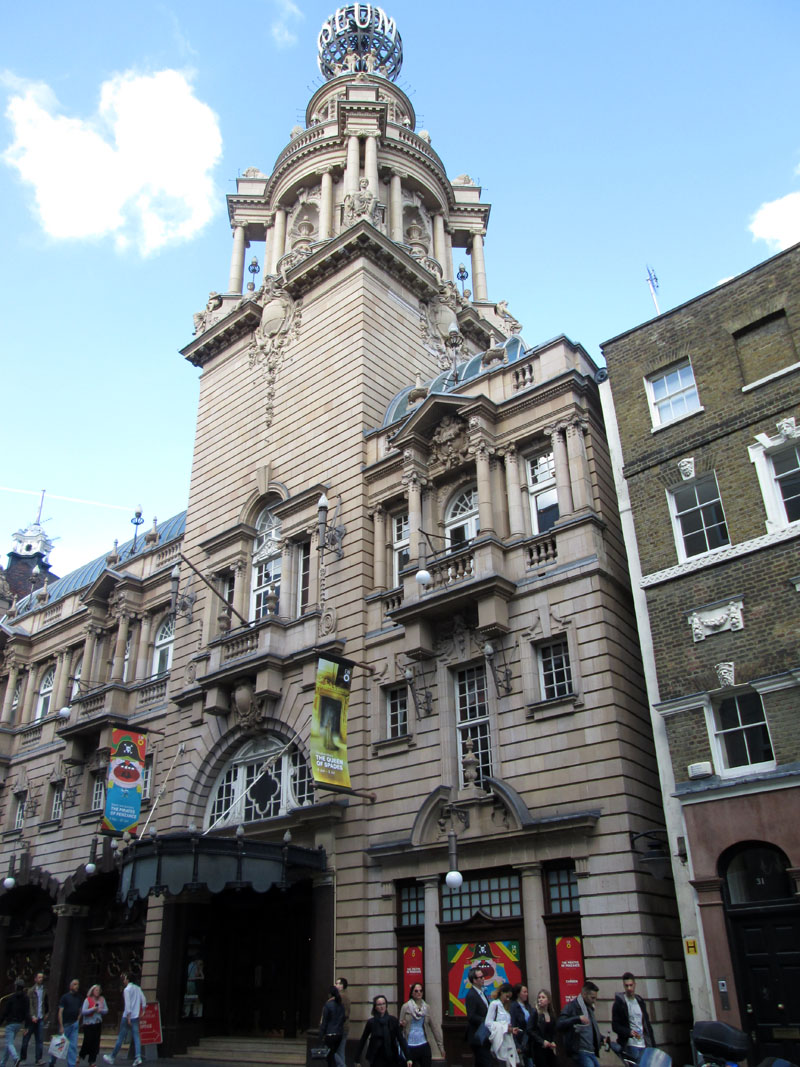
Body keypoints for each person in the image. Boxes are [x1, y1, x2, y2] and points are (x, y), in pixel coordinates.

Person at [354, 994, 412, 1067]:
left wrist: (408, 1058)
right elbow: (363, 1040)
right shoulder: (371, 1023)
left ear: (386, 1005)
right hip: (376, 1057)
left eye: (383, 1004)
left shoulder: (393, 1021)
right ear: (375, 1007)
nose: (382, 1006)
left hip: (391, 1056)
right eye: (379, 1004)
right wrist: (356, 1059)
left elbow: (401, 1039)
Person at [102, 973, 145, 1067]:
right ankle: (138, 1057)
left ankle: (112, 1057)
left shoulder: (127, 990)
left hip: (127, 1016)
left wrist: (128, 1017)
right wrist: (143, 1010)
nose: (124, 980)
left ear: (128, 980)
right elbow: (143, 1000)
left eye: (125, 978)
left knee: (121, 1037)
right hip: (136, 1016)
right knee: (136, 1037)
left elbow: (128, 1005)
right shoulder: (138, 988)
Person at [557, 981, 602, 1067]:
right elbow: (560, 1024)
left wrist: (601, 1038)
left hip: (591, 1051)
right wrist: (577, 1018)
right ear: (584, 994)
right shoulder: (571, 1006)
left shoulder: (589, 1009)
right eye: (592, 998)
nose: (594, 1001)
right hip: (581, 1051)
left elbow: (591, 1029)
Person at [611, 974, 654, 1064]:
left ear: (635, 984)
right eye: (626, 986)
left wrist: (652, 1044)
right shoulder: (620, 1003)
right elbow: (615, 1026)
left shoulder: (640, 1001)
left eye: (631, 985)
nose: (629, 988)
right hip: (630, 1044)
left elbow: (646, 1024)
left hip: (643, 1043)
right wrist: (628, 1032)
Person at [399, 982, 443, 1067]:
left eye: (421, 991)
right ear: (412, 993)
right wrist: (402, 1025)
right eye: (416, 991)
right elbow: (400, 1028)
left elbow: (434, 1027)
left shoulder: (426, 1007)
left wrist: (440, 1046)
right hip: (410, 1045)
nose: (419, 993)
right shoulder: (405, 1007)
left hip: (423, 1044)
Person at [48, 979, 82, 1067]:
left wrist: (78, 1020)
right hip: (66, 1024)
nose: (77, 986)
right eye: (75, 984)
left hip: (74, 1024)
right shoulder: (65, 997)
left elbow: (80, 1010)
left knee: (73, 1046)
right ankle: (52, 1061)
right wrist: (61, 1026)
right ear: (70, 986)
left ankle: (71, 1065)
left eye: (78, 984)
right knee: (59, 1044)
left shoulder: (79, 997)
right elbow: (60, 1012)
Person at [486, 983, 520, 1066]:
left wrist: (511, 1030)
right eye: (507, 996)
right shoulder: (494, 1004)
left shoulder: (507, 1006)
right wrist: (504, 1028)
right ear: (501, 992)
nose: (508, 999)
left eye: (509, 997)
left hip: (508, 1040)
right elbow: (488, 1022)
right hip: (500, 1040)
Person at [464, 967, 492, 1067]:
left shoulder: (482, 993)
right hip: (478, 1036)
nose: (483, 978)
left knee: (480, 1063)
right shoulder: (471, 995)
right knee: (486, 1062)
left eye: (483, 976)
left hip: (485, 1036)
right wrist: (486, 1020)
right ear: (474, 980)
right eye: (481, 977)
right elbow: (471, 1016)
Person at [0, 979, 30, 1067]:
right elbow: (27, 1013)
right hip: (19, 1024)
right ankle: (3, 1063)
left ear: (16, 987)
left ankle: (15, 1058)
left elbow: (5, 1012)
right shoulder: (26, 998)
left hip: (10, 1023)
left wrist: (0, 1022)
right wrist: (26, 1026)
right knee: (9, 1044)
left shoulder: (12, 998)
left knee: (9, 1043)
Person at [21, 972, 47, 1066]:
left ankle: (38, 1059)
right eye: (39, 977)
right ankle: (23, 1058)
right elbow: (30, 1005)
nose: (41, 979)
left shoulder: (44, 990)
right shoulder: (31, 990)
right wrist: (32, 1016)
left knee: (39, 1040)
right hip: (31, 1019)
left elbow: (46, 1003)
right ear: (35, 979)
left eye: (42, 977)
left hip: (40, 1018)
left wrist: (46, 1014)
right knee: (26, 1040)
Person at [79, 985, 108, 1067]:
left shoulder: (102, 999)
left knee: (95, 1043)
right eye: (96, 990)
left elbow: (106, 1010)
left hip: (97, 1023)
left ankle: (92, 1061)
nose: (97, 992)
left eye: (98, 990)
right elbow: (83, 1011)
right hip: (89, 1024)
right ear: (92, 991)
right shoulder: (87, 1000)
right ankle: (81, 1055)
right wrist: (92, 1009)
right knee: (87, 1041)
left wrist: (100, 1010)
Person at [530, 989, 558, 1067]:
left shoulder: (551, 1015)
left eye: (543, 997)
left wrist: (553, 1041)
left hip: (550, 1048)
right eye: (539, 997)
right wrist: (542, 1041)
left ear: (548, 1000)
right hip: (539, 1047)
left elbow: (554, 1031)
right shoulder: (535, 1012)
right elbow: (530, 1030)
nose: (540, 999)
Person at [319, 986, 345, 1067]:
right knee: (332, 1054)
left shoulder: (328, 1005)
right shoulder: (341, 1005)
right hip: (339, 1033)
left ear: (330, 994)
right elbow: (343, 1019)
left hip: (330, 1034)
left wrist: (321, 1036)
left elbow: (324, 1022)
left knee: (330, 1057)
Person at [509, 985, 533, 1067]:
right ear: (518, 993)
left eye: (527, 992)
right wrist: (516, 1045)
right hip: (520, 1040)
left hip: (529, 1041)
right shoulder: (513, 1007)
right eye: (524, 992)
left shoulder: (528, 1006)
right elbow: (513, 1024)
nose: (526, 994)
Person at [333, 978, 349, 1067]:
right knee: (341, 1052)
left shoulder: (340, 997)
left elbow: (342, 1014)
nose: (335, 985)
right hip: (344, 1027)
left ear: (342, 986)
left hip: (339, 1028)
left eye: (337, 983)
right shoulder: (346, 996)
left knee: (331, 1050)